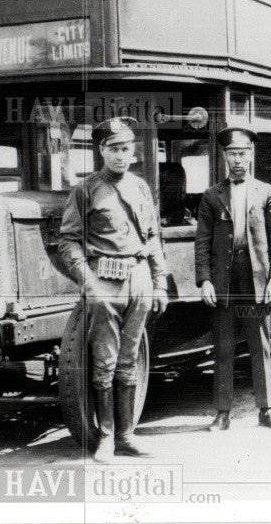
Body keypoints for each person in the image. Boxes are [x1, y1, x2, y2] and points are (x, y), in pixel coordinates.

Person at [58, 117, 169, 461]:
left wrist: (159, 282)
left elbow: (152, 239)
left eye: (127, 149)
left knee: (129, 357)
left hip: (138, 278)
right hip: (104, 280)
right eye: (115, 149)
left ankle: (126, 435)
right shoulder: (86, 189)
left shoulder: (140, 187)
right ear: (101, 150)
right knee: (104, 361)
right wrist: (88, 283)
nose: (122, 156)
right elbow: (69, 242)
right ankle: (105, 436)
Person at [195, 126, 271, 431]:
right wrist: (205, 281)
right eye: (232, 153)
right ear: (224, 156)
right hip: (224, 281)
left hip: (257, 280)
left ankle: (266, 410)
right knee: (223, 346)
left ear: (251, 155)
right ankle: (222, 414)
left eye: (243, 153)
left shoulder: (266, 192)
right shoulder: (211, 196)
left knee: (260, 343)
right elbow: (202, 242)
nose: (238, 160)